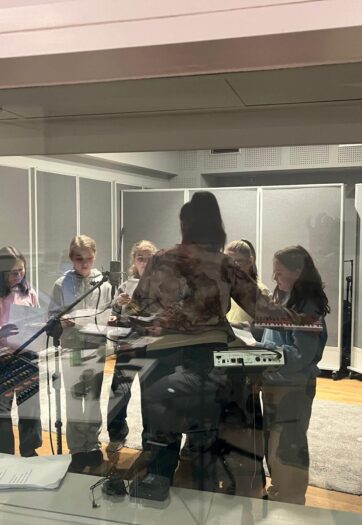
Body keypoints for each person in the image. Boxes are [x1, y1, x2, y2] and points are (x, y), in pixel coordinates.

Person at [127, 192, 310, 492]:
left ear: (185, 225)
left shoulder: (161, 258)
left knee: (161, 429)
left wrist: (126, 314)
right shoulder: (224, 264)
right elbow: (262, 308)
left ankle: (157, 481)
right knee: (208, 427)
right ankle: (205, 485)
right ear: (216, 226)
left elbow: (138, 306)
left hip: (162, 352)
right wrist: (303, 319)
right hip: (209, 353)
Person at [260, 245, 329, 505]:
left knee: (288, 443)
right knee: (276, 442)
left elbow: (302, 355)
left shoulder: (307, 306)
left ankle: (290, 500)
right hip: (277, 382)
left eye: (279, 272)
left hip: (294, 386)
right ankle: (281, 492)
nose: (274, 278)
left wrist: (264, 351)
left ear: (297, 271)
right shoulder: (285, 297)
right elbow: (273, 333)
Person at [49, 235, 112, 471]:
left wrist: (110, 320)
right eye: (79, 259)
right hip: (72, 347)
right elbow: (52, 316)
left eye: (89, 258)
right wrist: (61, 321)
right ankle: (76, 448)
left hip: (96, 346)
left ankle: (93, 444)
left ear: (95, 257)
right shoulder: (61, 284)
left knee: (93, 397)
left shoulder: (104, 284)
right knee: (74, 397)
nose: (84, 263)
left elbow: (108, 313)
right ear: (71, 258)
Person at [0, 246, 42, 458]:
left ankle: (29, 451)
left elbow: (37, 321)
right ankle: (1, 457)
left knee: (30, 408)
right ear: (2, 273)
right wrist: (0, 330)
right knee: (1, 413)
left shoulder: (29, 292)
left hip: (26, 356)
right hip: (2, 360)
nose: (19, 275)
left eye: (22, 270)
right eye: (14, 272)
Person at [107, 240, 157, 453]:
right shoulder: (125, 285)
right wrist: (118, 305)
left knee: (151, 395)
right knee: (119, 391)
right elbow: (113, 315)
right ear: (134, 261)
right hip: (128, 342)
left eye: (148, 258)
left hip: (152, 344)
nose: (144, 262)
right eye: (140, 258)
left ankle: (150, 440)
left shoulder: (162, 284)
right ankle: (116, 434)